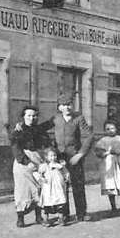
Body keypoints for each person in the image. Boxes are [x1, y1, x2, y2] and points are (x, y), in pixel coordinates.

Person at [37, 93, 94, 223]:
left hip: (74, 157)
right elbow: (40, 129)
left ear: (72, 105)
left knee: (78, 186)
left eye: (69, 104)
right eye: (63, 105)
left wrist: (80, 154)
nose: (67, 107)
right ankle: (64, 214)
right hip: (59, 158)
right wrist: (49, 145)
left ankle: (82, 213)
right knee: (61, 186)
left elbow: (89, 136)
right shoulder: (56, 119)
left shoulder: (79, 119)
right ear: (59, 107)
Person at [9, 105, 49, 228]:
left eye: (34, 115)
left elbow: (47, 145)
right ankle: (20, 219)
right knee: (22, 190)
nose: (32, 118)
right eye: (29, 115)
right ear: (23, 117)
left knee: (38, 188)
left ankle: (38, 217)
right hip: (22, 163)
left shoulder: (40, 130)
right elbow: (16, 149)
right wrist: (27, 162)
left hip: (38, 160)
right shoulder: (18, 131)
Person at [94, 121, 120, 216]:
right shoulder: (102, 141)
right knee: (110, 184)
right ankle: (113, 207)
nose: (110, 131)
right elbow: (97, 152)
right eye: (107, 129)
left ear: (116, 128)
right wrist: (106, 153)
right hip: (108, 164)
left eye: (112, 128)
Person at [38, 147, 70, 227]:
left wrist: (66, 177)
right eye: (51, 156)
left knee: (60, 202)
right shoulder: (44, 166)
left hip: (58, 187)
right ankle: (46, 220)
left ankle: (61, 218)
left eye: (55, 155)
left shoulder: (59, 165)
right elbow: (38, 174)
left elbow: (65, 171)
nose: (53, 158)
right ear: (46, 157)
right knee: (47, 204)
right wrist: (42, 178)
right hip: (48, 187)